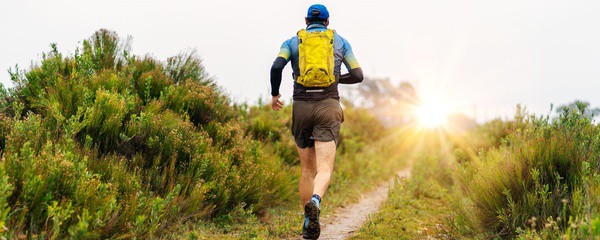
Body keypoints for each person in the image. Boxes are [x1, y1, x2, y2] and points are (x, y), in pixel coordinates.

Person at [269, 4, 364, 239]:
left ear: (305, 20)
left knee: (307, 170)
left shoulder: (292, 42)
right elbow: (358, 75)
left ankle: (307, 223)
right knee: (324, 168)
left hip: (301, 106)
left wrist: (275, 94)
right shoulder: (340, 42)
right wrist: (335, 79)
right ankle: (316, 200)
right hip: (328, 105)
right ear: (328, 21)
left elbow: (276, 66)